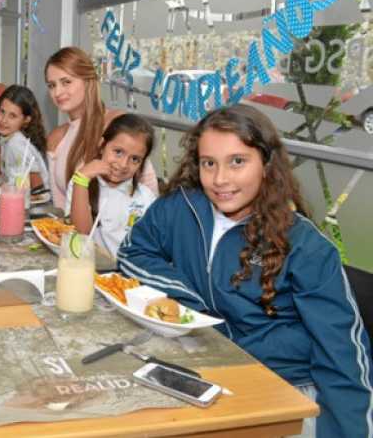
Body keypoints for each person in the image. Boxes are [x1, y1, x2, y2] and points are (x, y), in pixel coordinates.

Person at [117, 105, 372, 438]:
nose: (220, 179)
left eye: (237, 161)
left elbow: (344, 355)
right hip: (211, 372)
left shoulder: (306, 247)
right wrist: (189, 302)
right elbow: (133, 251)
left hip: (288, 390)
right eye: (209, 163)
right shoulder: (181, 206)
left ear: (266, 164)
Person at [45, 47, 158, 209]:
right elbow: (60, 207)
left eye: (66, 82)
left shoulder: (117, 123)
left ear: (88, 80)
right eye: (51, 85)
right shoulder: (56, 138)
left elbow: (149, 190)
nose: (57, 92)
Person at [67, 114, 156, 257]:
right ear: (102, 145)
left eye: (135, 159)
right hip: (88, 265)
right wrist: (82, 181)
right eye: (118, 152)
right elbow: (81, 235)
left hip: (128, 269)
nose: (123, 164)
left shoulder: (146, 198)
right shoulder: (80, 183)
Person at [0, 84, 49, 189]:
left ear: (26, 120)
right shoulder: (8, 138)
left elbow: (38, 187)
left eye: (12, 116)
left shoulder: (16, 144)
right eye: (2, 111)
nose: (4, 120)